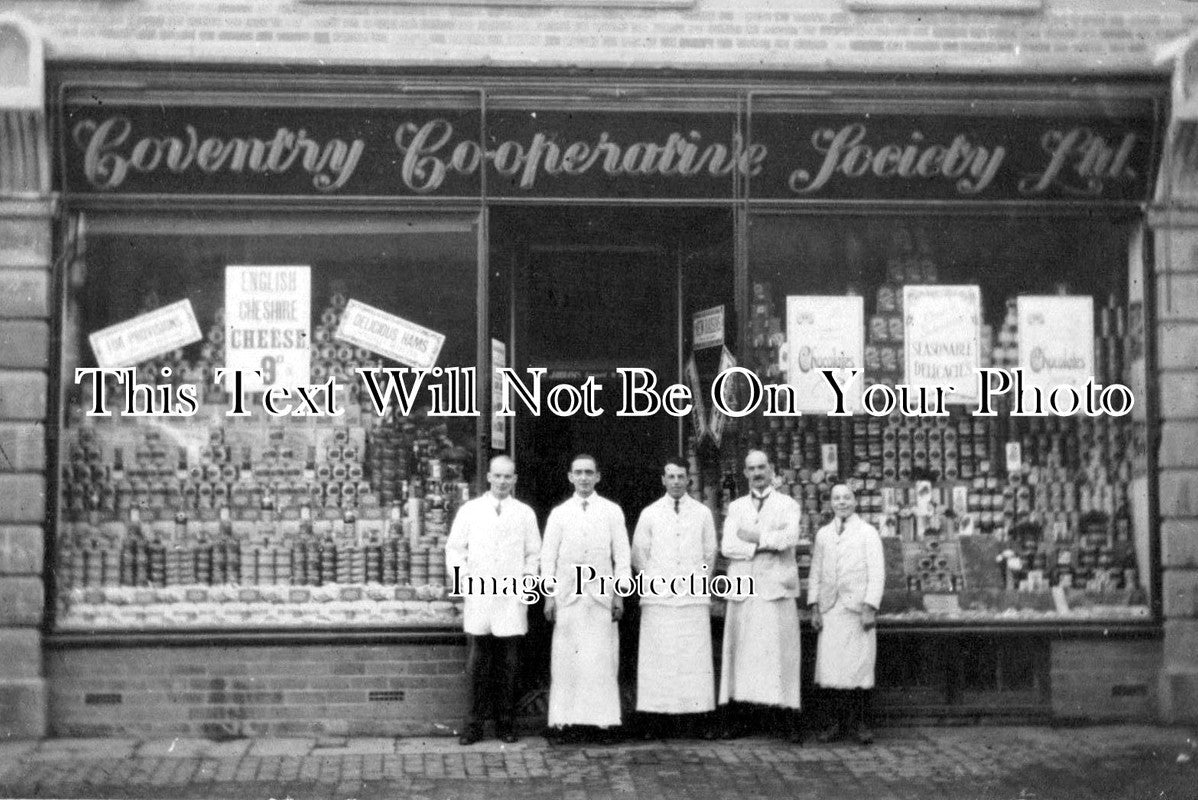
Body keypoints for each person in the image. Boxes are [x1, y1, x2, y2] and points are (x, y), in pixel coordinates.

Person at [445, 455, 542, 745]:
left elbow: (533, 553)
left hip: (511, 597)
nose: (502, 482)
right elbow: (454, 548)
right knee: (478, 664)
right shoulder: (470, 510)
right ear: (488, 477)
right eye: (497, 476)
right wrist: (464, 582)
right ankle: (474, 724)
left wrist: (527, 581)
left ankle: (505, 723)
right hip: (481, 595)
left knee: (508, 665)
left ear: (515, 480)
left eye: (508, 477)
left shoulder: (524, 513)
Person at [540, 454, 631, 743]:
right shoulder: (559, 513)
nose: (583, 478)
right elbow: (547, 557)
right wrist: (550, 596)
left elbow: (623, 556)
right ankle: (564, 723)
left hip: (601, 597)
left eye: (589, 472)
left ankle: (603, 723)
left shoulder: (612, 511)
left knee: (601, 661)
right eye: (578, 472)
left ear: (598, 476)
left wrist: (620, 594)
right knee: (567, 661)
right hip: (569, 597)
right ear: (570, 476)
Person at [718, 449, 803, 742]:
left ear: (771, 469)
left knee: (780, 654)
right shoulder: (737, 506)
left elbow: (789, 539)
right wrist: (766, 542)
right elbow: (728, 547)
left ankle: (787, 721)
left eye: (762, 467)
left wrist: (753, 537)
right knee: (744, 654)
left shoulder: (788, 504)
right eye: (751, 468)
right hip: (744, 588)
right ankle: (742, 720)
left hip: (775, 587)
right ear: (744, 473)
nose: (757, 473)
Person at [631, 457, 718, 738]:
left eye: (681, 476)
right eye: (671, 476)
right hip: (660, 601)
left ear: (689, 480)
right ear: (663, 480)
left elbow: (710, 553)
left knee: (693, 661)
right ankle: (656, 722)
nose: (677, 481)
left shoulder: (703, 513)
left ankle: (695, 722)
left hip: (692, 600)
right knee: (659, 661)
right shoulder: (650, 513)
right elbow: (639, 555)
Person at [808, 483, 885, 745]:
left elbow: (877, 573)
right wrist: (815, 607)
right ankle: (833, 724)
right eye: (836, 498)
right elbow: (816, 571)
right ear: (830, 503)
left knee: (858, 669)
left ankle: (860, 725)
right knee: (831, 669)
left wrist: (869, 607)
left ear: (855, 501)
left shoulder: (868, 533)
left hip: (857, 611)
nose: (841, 502)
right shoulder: (823, 535)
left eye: (846, 498)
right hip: (831, 608)